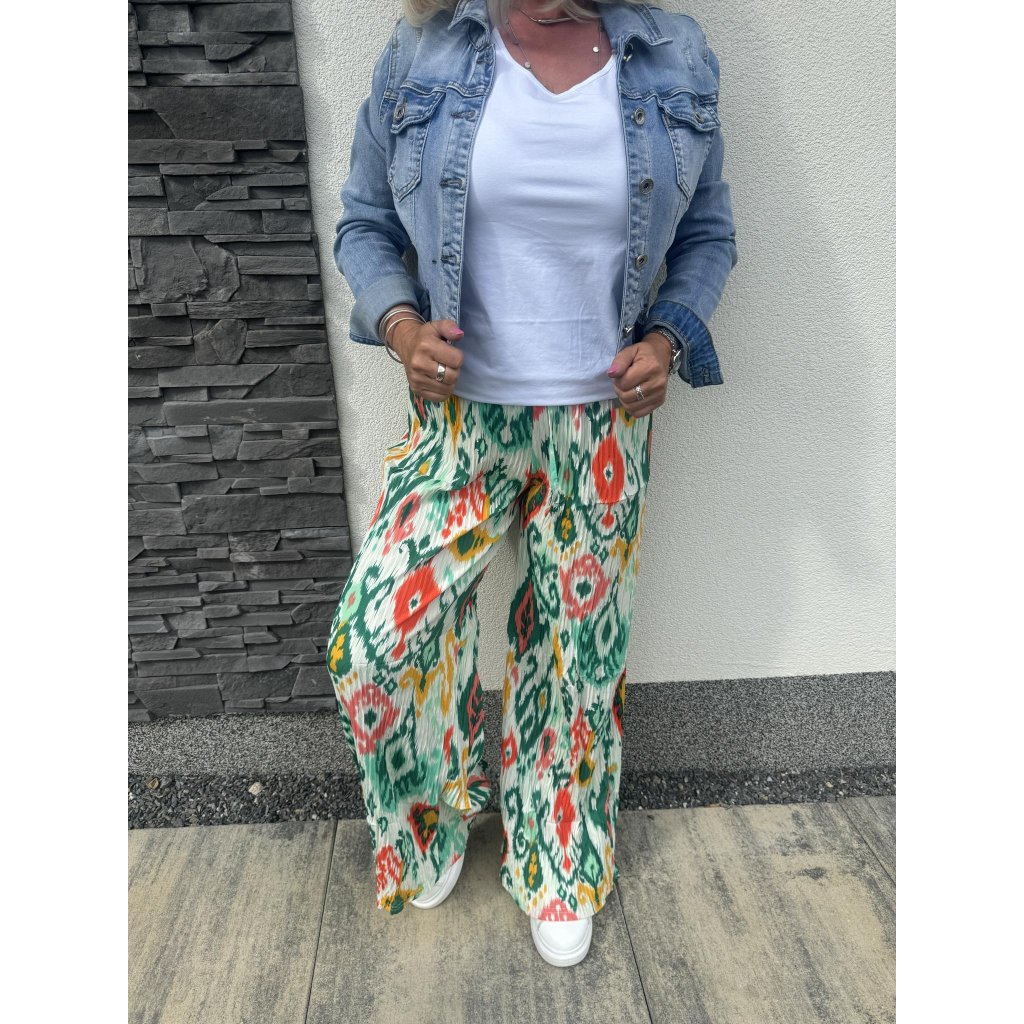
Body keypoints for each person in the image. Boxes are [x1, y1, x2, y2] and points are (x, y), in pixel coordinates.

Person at [326, 0, 737, 967]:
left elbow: (708, 234)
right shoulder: (425, 49)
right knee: (373, 643)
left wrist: (668, 338)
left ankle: (558, 861)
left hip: (601, 426)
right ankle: (428, 821)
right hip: (461, 418)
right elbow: (365, 223)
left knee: (573, 665)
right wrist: (401, 328)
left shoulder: (673, 55)